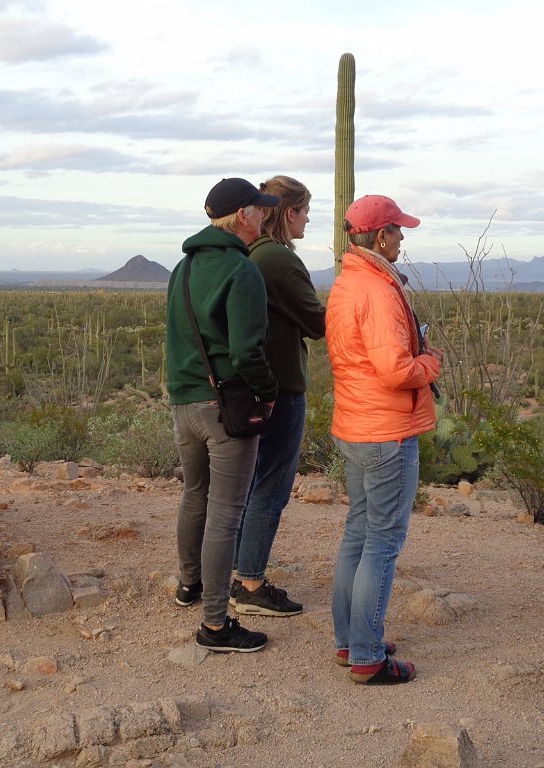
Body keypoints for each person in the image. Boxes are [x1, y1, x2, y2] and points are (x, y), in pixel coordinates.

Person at [325, 194, 443, 684]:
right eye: (397, 231)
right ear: (379, 237)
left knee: (359, 531)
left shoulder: (348, 282)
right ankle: (368, 657)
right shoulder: (377, 290)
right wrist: (431, 363)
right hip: (385, 432)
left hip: (355, 424)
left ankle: (351, 639)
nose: (401, 238)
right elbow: (396, 370)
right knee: (383, 540)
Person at [165, 177, 280, 653]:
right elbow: (247, 351)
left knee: (196, 493)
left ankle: (188, 585)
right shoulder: (242, 270)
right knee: (226, 515)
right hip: (226, 408)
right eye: (260, 209)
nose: (265, 217)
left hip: (184, 404)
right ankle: (215, 626)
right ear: (243, 216)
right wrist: (269, 392)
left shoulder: (182, 268)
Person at [231, 176, 326, 617]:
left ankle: (234, 574)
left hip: (247, 387)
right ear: (289, 213)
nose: (309, 219)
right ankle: (250, 582)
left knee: (248, 483)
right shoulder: (279, 260)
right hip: (281, 386)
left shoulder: (249, 254)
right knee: (271, 485)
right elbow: (318, 323)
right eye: (305, 211)